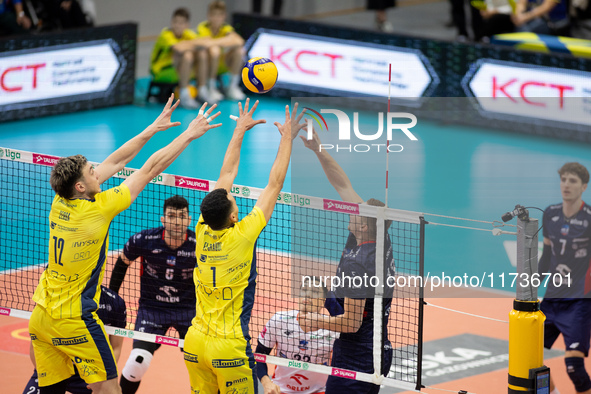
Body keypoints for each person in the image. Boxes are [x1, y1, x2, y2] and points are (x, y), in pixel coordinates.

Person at [28, 95, 221, 394]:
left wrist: (152, 128)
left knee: (49, 389)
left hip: (40, 315)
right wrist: (188, 134)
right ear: (81, 186)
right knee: (108, 388)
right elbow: (149, 169)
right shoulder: (100, 207)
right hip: (73, 318)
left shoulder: (61, 200)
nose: (97, 172)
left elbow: (116, 161)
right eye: (92, 172)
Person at [183, 98, 306, 394]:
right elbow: (274, 183)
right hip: (228, 346)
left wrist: (239, 130)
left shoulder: (201, 228)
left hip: (195, 343)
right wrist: (288, 138)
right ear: (234, 216)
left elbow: (225, 175)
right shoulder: (243, 234)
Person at [298, 128, 395, 394]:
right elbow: (343, 185)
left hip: (357, 358)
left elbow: (351, 323)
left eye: (357, 212)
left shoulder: (357, 265)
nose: (352, 211)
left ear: (364, 226)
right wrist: (317, 149)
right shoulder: (379, 237)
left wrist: (314, 322)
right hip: (377, 348)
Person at [109, 195, 197, 394]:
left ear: (189, 219)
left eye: (182, 216)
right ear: (162, 219)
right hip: (152, 310)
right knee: (137, 363)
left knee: (203, 365)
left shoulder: (198, 244)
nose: (176, 221)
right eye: (171, 216)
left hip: (190, 312)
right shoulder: (145, 240)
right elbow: (122, 263)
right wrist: (111, 299)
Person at [538, 162, 591, 394]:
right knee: (525, 357)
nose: (566, 185)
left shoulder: (589, 219)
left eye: (573, 181)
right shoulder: (550, 214)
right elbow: (546, 257)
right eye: (564, 180)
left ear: (584, 187)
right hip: (552, 299)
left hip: (579, 302)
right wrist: (530, 289)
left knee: (574, 367)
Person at [24, 286, 127, 394]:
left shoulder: (114, 303)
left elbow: (116, 347)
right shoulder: (55, 296)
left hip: (89, 371)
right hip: (54, 367)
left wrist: (101, 376)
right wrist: (47, 375)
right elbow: (35, 346)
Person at [256, 280, 338, 394]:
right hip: (281, 390)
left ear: (323, 301)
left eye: (314, 291)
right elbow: (259, 355)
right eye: (304, 290)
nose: (307, 295)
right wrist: (266, 383)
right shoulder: (279, 320)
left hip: (319, 391)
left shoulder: (333, 329)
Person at [150, 8, 213, 109]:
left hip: (177, 69)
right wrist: (194, 44)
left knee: (202, 53)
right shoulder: (165, 34)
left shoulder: (187, 34)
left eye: (182, 23)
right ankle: (184, 94)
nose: (178, 25)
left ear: (187, 25)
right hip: (161, 71)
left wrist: (189, 44)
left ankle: (202, 89)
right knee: (187, 54)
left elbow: (206, 43)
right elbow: (178, 48)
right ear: (171, 22)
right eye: (176, 22)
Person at [195, 0, 247, 104]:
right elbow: (205, 44)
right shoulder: (202, 27)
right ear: (209, 15)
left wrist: (214, 42)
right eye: (214, 15)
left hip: (221, 64)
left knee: (240, 51)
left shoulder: (226, 28)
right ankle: (211, 87)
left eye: (220, 15)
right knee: (215, 50)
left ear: (224, 16)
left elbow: (239, 41)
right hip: (205, 64)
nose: (216, 18)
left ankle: (232, 87)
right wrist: (226, 41)